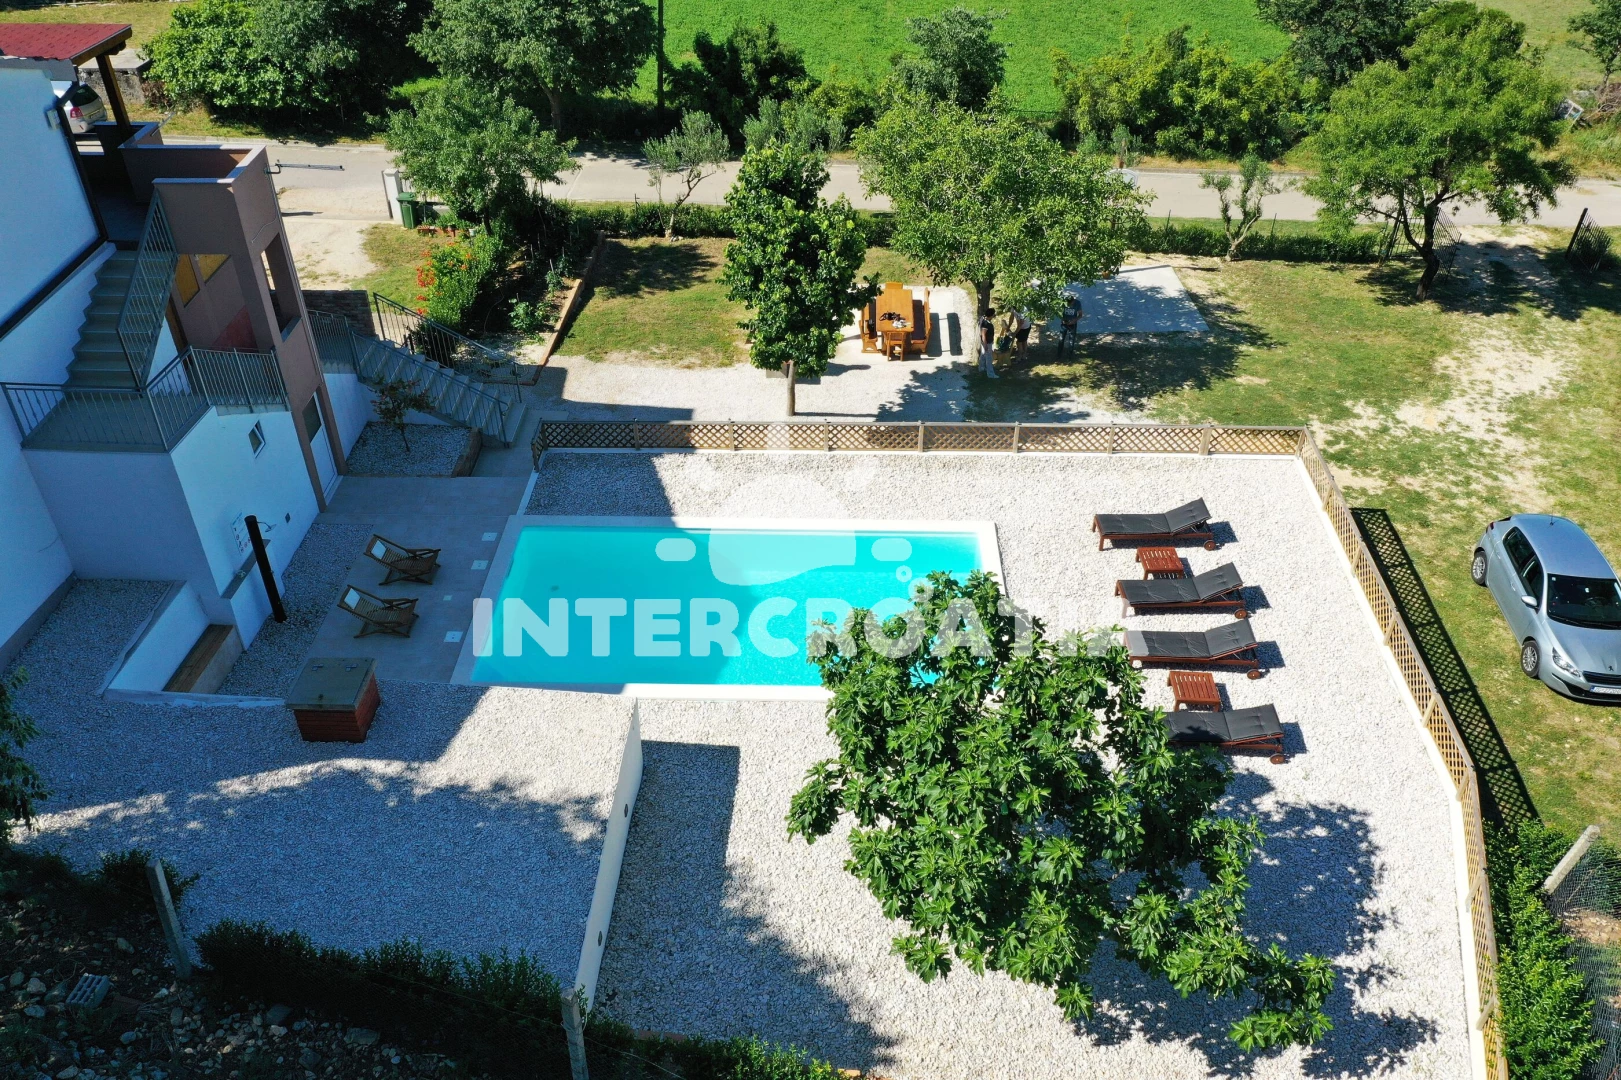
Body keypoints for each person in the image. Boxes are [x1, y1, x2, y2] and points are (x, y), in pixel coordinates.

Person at [978, 307, 998, 378]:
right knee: (989, 358)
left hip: (985, 342)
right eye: (993, 314)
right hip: (987, 343)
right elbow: (983, 334)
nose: (994, 315)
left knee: (983, 356)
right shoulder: (986, 323)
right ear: (991, 315)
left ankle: (981, 368)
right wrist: (985, 345)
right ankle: (991, 374)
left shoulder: (983, 319)